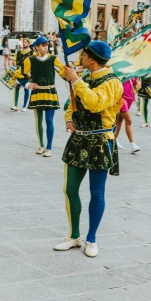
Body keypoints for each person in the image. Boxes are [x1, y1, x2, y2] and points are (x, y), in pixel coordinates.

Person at [54, 41, 123, 258]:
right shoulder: (86, 77)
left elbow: (95, 103)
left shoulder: (113, 83)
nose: (80, 57)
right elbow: (71, 102)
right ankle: (74, 235)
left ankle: (91, 238)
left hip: (100, 141)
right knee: (70, 189)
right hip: (78, 139)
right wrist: (69, 119)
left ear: (91, 58)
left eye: (83, 54)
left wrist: (75, 79)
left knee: (96, 192)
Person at [13, 36, 65, 156]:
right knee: (39, 120)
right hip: (37, 93)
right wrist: (27, 84)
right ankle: (41, 145)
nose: (45, 47)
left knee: (49, 120)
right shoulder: (30, 60)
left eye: (46, 45)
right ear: (36, 47)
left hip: (50, 93)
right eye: (43, 45)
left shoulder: (53, 59)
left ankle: (49, 147)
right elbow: (19, 74)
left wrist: (73, 72)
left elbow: (62, 71)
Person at [115, 77, 140, 153]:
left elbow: (135, 82)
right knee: (128, 121)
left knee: (119, 120)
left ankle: (114, 138)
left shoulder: (133, 71)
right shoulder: (120, 70)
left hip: (130, 97)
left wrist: (138, 83)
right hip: (122, 98)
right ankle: (132, 144)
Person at [11, 38, 33, 112]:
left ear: (29, 43)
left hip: (27, 74)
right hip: (18, 73)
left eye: (26, 42)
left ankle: (24, 106)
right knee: (16, 88)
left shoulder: (32, 53)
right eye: (23, 42)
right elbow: (14, 61)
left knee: (26, 89)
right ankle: (15, 105)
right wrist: (14, 63)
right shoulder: (19, 52)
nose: (24, 43)